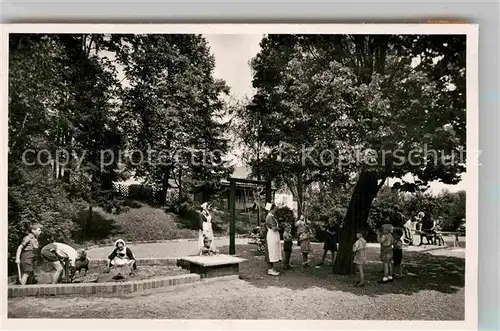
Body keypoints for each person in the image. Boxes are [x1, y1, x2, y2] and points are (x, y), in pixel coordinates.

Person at [265, 203, 281, 276]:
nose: (276, 210)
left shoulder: (272, 217)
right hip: (271, 236)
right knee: (270, 252)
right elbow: (274, 228)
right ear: (272, 209)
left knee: (273, 251)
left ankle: (271, 268)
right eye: (275, 209)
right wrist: (279, 228)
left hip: (274, 236)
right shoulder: (270, 217)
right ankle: (270, 269)